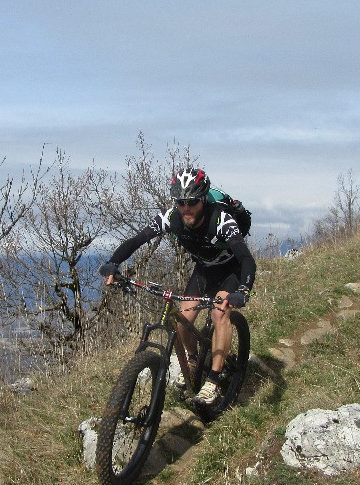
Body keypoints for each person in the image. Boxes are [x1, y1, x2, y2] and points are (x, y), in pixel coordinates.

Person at [98, 167, 256, 405]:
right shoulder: (170, 217)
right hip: (204, 270)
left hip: (230, 270)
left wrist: (243, 290)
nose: (186, 207)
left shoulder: (221, 220)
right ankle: (192, 362)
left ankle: (213, 380)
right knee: (182, 319)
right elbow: (137, 240)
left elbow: (246, 258)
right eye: (180, 202)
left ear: (202, 198)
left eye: (192, 201)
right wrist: (113, 262)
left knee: (219, 312)